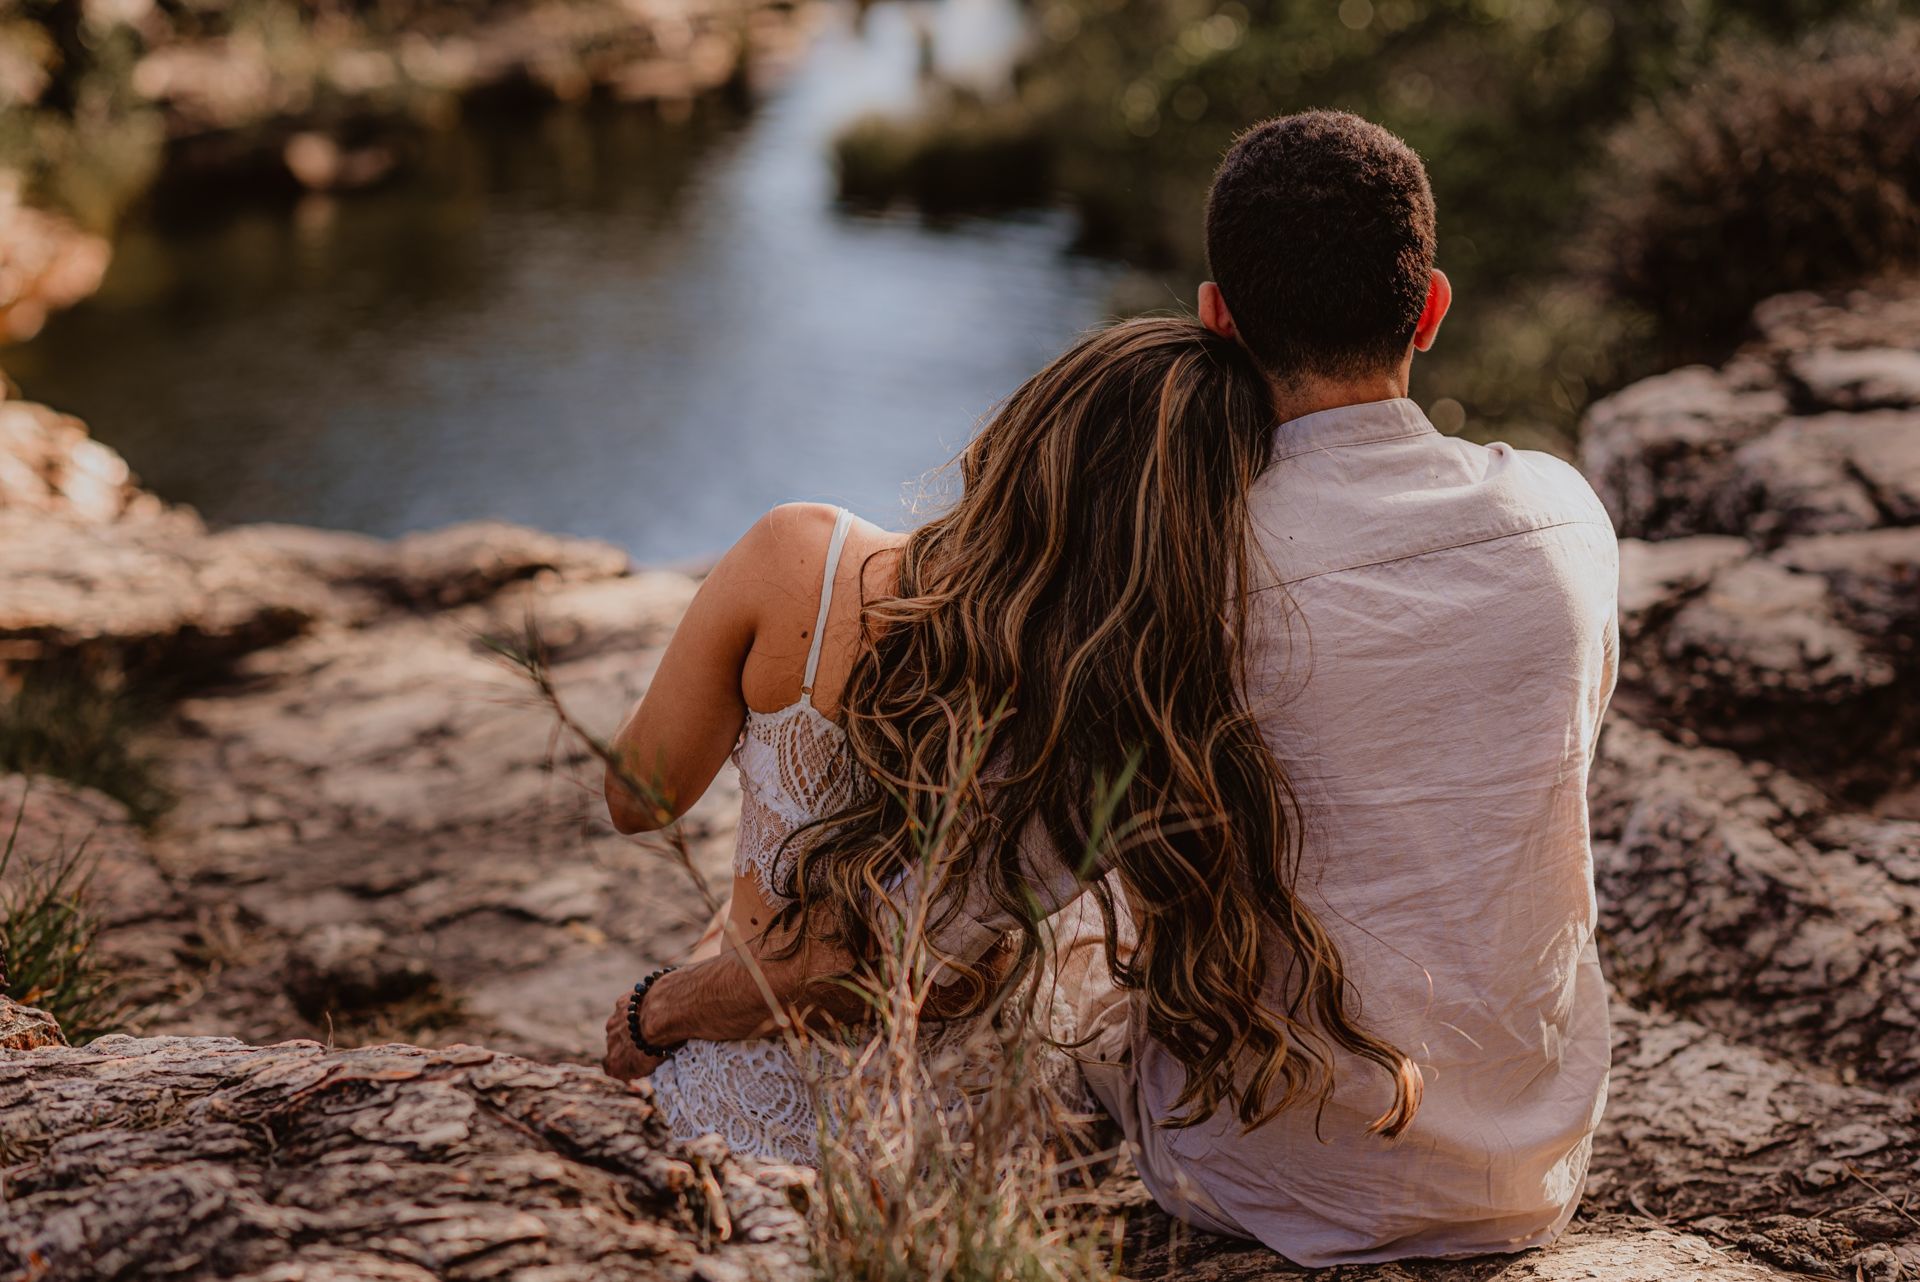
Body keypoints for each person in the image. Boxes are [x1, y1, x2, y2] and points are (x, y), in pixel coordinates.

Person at [604, 110, 1619, 1268]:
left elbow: (893, 948)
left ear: (1218, 317)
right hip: (1530, 1170)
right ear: (1431, 306)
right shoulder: (1564, 523)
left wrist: (657, 1013)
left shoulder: (1174, 589)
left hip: (1267, 1180)